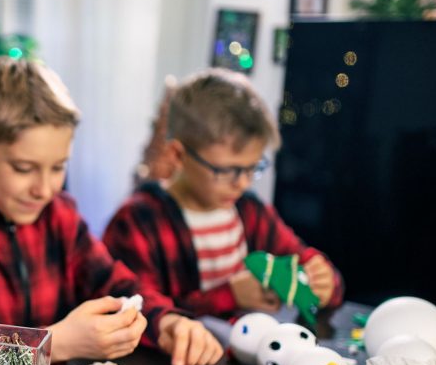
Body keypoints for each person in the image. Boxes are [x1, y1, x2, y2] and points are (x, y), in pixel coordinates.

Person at [0, 57, 223, 365]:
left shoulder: (58, 215)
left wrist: (168, 323)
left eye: (58, 167)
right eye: (23, 168)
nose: (45, 189)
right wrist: (52, 343)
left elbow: (116, 285)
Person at [103, 68, 343, 320]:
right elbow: (139, 315)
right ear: (178, 155)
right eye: (227, 170)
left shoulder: (250, 212)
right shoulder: (138, 223)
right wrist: (229, 296)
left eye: (253, 167)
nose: (242, 183)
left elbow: (303, 259)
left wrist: (324, 280)